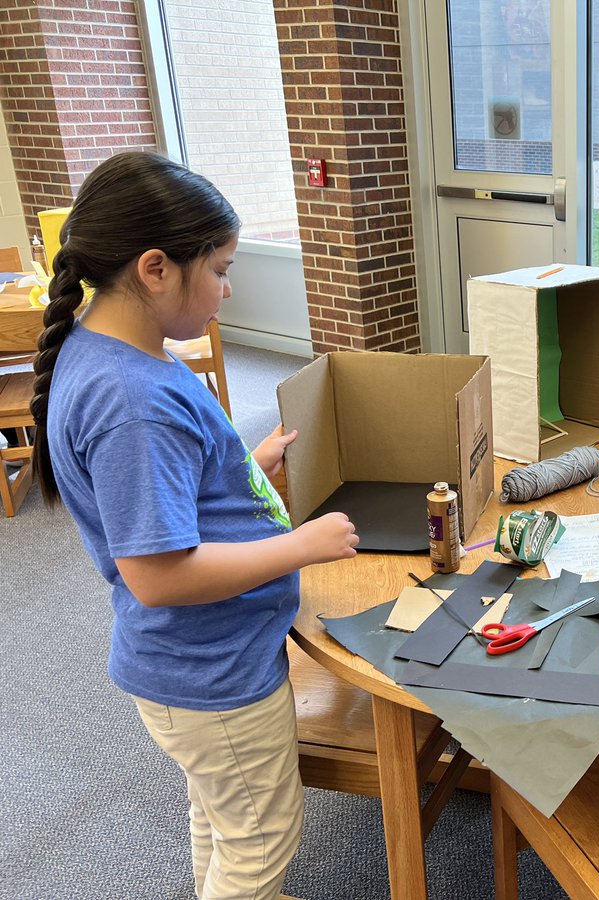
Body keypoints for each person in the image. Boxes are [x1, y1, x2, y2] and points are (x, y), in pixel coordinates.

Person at [29, 152, 360, 899]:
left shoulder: (111, 353)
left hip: (192, 671)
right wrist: (299, 545)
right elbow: (156, 575)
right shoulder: (132, 398)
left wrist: (245, 462)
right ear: (155, 269)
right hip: (213, 672)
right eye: (218, 267)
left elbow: (169, 493)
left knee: (222, 817)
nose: (228, 286)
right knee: (261, 840)